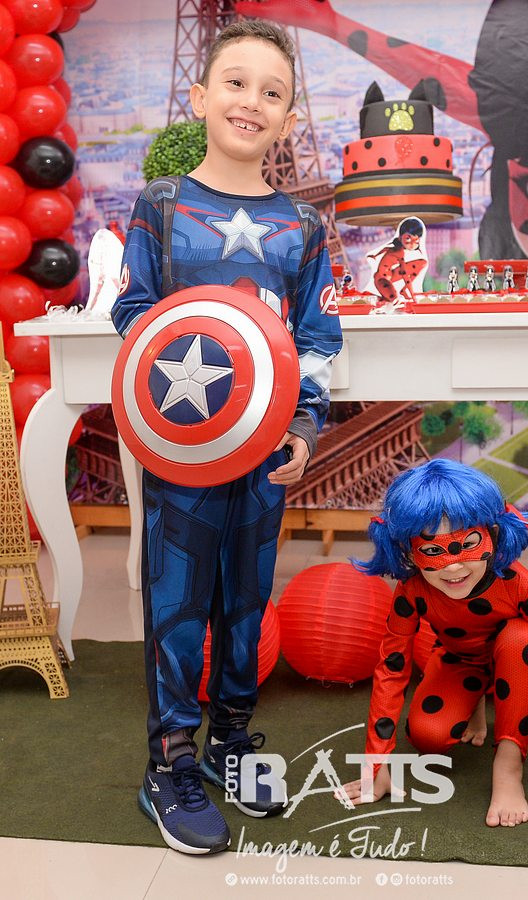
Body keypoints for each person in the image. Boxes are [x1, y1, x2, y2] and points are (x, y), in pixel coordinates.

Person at [111, 19, 342, 855]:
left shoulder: (301, 226)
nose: (252, 102)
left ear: (289, 118)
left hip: (265, 451)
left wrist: (305, 426)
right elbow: (134, 313)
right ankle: (169, 759)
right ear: (201, 97)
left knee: (245, 598)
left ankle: (231, 739)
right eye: (236, 83)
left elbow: (317, 338)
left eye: (272, 92)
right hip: (182, 449)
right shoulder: (162, 203)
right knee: (176, 600)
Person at [343, 459, 528, 827]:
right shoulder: (411, 591)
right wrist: (376, 764)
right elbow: (392, 668)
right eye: (433, 551)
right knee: (428, 736)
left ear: (492, 534)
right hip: (460, 659)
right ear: (408, 551)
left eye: (466, 545)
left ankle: (508, 766)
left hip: (516, 662)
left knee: (520, 638)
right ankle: (476, 696)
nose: (452, 567)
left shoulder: (520, 584)